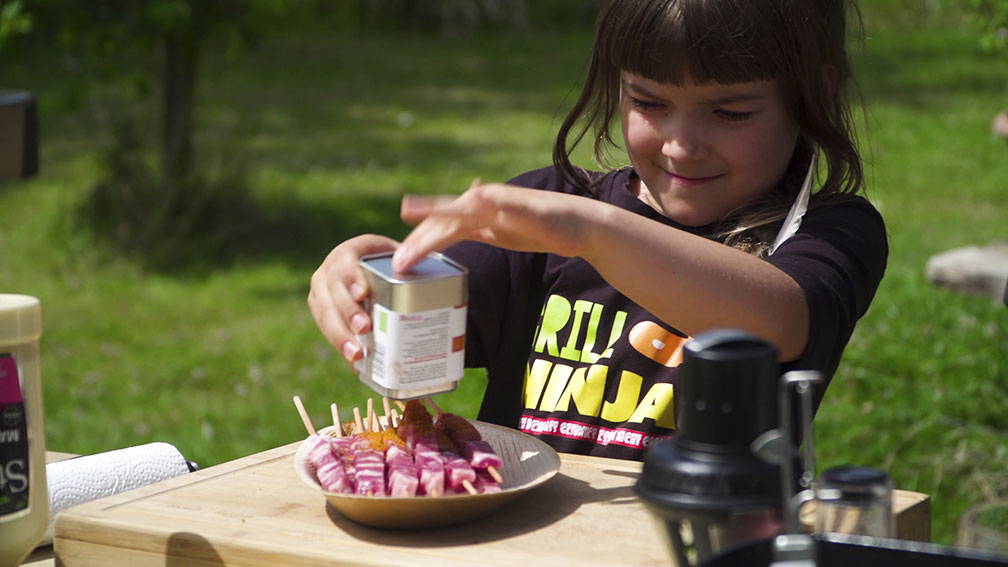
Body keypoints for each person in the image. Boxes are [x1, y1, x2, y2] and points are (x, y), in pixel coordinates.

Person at [308, 0, 887, 461]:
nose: (681, 145)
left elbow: (776, 323)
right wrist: (371, 280)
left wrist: (589, 232)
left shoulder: (828, 233)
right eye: (649, 102)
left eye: (731, 112)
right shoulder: (555, 211)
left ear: (815, 93)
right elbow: (428, 326)